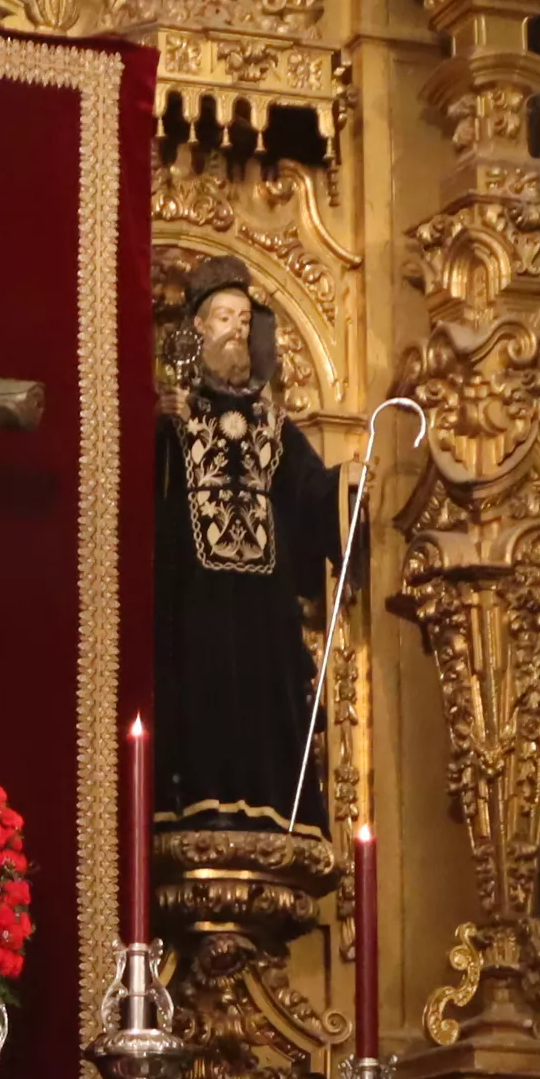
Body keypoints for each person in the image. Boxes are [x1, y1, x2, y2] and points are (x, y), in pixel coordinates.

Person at [151, 255, 340, 831]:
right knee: (199, 691)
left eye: (243, 318)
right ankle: (199, 803)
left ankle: (268, 805)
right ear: (199, 329)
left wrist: (349, 485)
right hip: (196, 599)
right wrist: (155, 424)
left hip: (262, 607)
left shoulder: (273, 424)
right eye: (223, 316)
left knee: (263, 690)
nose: (235, 328)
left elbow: (312, 492)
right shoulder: (174, 415)